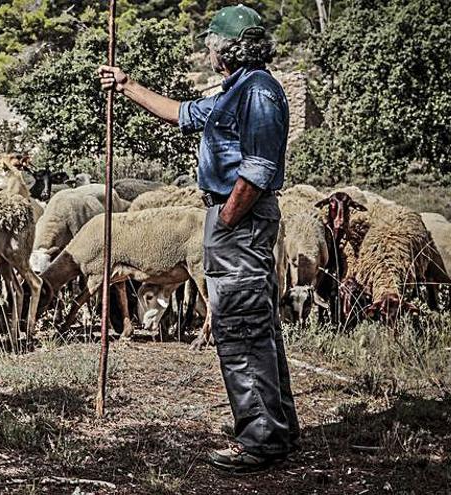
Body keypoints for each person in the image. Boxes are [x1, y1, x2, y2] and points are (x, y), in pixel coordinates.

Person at [98, 4, 299, 472]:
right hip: (231, 216)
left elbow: (259, 168)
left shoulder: (259, 92)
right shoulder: (235, 91)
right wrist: (126, 85)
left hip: (239, 220)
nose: (208, 52)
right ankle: (275, 429)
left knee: (242, 327)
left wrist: (227, 217)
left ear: (227, 48)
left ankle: (261, 441)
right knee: (251, 325)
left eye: (211, 44)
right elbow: (183, 113)